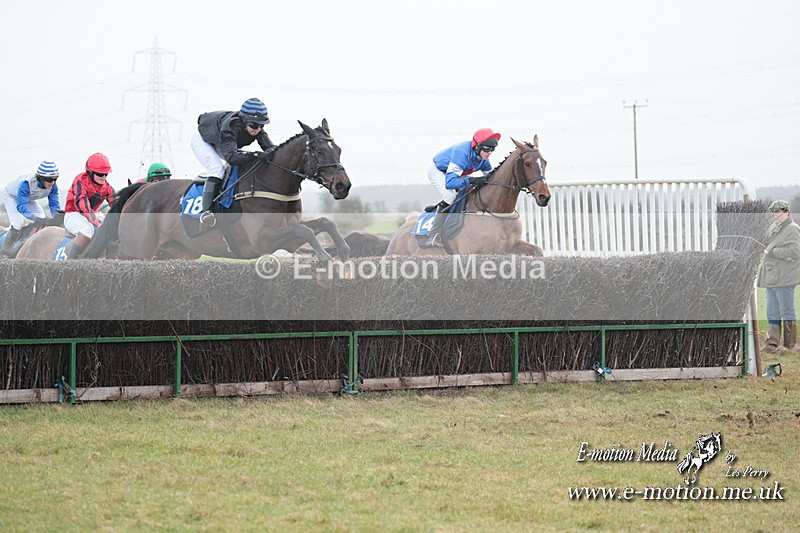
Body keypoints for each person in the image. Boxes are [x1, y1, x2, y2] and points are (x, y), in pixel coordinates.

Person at [191, 97, 277, 226]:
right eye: (254, 125)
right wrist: (255, 155)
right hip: (203, 141)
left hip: (221, 141)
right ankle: (207, 212)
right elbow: (232, 158)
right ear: (244, 121)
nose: (258, 129)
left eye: (261, 125)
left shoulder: (257, 129)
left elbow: (271, 149)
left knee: (246, 160)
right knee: (217, 170)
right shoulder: (230, 127)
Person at [424, 128, 501, 247]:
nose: (490, 152)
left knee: (469, 192)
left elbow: (493, 179)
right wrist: (472, 180)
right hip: (439, 171)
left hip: (454, 175)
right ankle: (433, 235)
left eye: (492, 149)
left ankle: (441, 209)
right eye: (487, 149)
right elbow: (449, 183)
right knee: (450, 195)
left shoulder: (484, 160)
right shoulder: (462, 153)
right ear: (477, 146)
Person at [758, 199, 800, 353]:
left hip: (785, 278)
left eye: (778, 212)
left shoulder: (792, 229)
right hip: (773, 278)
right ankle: (771, 344)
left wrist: (773, 252)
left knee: (787, 311)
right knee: (772, 312)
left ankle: (789, 346)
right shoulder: (777, 229)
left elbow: (795, 252)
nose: (775, 215)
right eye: (773, 212)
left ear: (786, 212)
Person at [1, 160, 61, 257]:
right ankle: (5, 250)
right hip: (12, 197)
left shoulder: (53, 187)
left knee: (41, 217)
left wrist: (57, 217)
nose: (52, 183)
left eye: (55, 179)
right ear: (41, 178)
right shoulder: (25, 184)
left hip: (29, 198)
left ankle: (27, 241)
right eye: (49, 180)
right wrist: (33, 218)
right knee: (17, 223)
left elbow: (54, 204)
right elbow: (21, 207)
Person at [63, 153, 116, 259]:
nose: (104, 177)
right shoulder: (80, 181)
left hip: (92, 214)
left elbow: (116, 203)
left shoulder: (106, 186)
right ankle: (70, 262)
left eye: (106, 174)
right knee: (87, 230)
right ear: (90, 172)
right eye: (100, 174)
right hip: (74, 214)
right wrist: (97, 223)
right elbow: (83, 205)